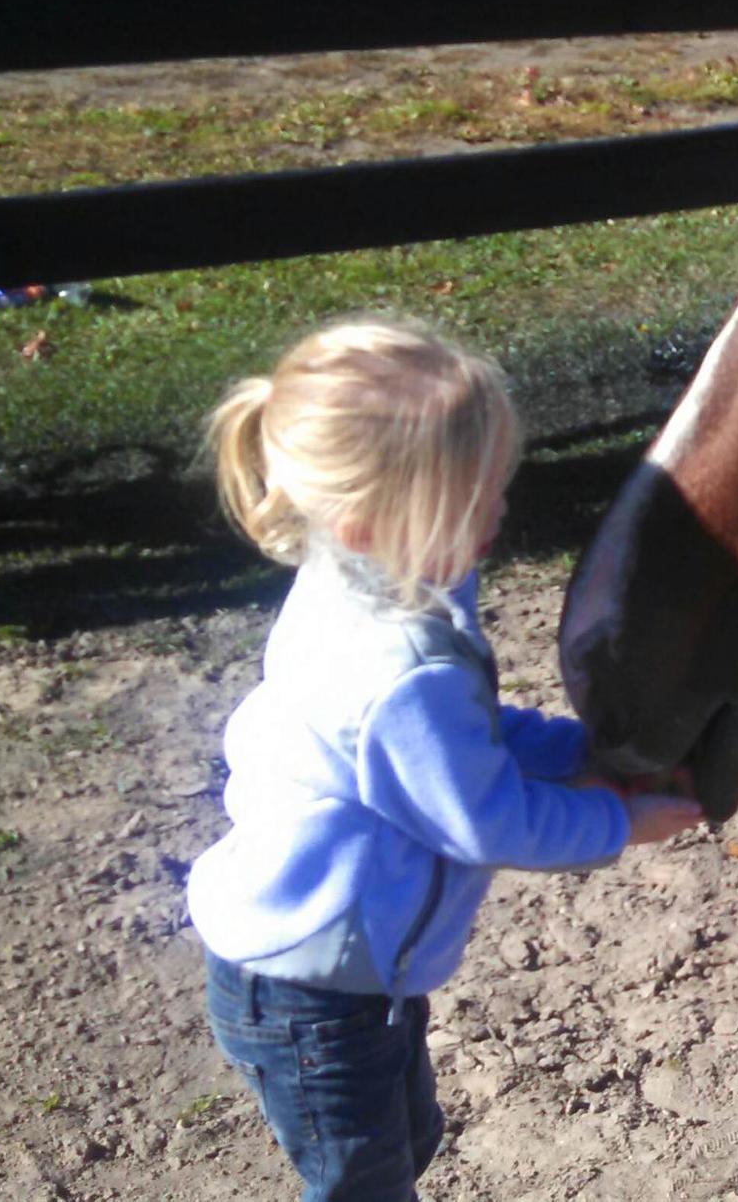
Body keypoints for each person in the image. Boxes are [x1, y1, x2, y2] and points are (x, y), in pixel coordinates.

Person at [186, 317, 702, 1200]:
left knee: (407, 1139)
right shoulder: (394, 668)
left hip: (354, 973)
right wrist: (621, 818)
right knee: (363, 1180)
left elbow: (462, 741)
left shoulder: (380, 579)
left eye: (498, 485)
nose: (500, 511)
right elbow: (486, 817)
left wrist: (578, 751)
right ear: (366, 522)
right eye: (474, 498)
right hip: (311, 993)